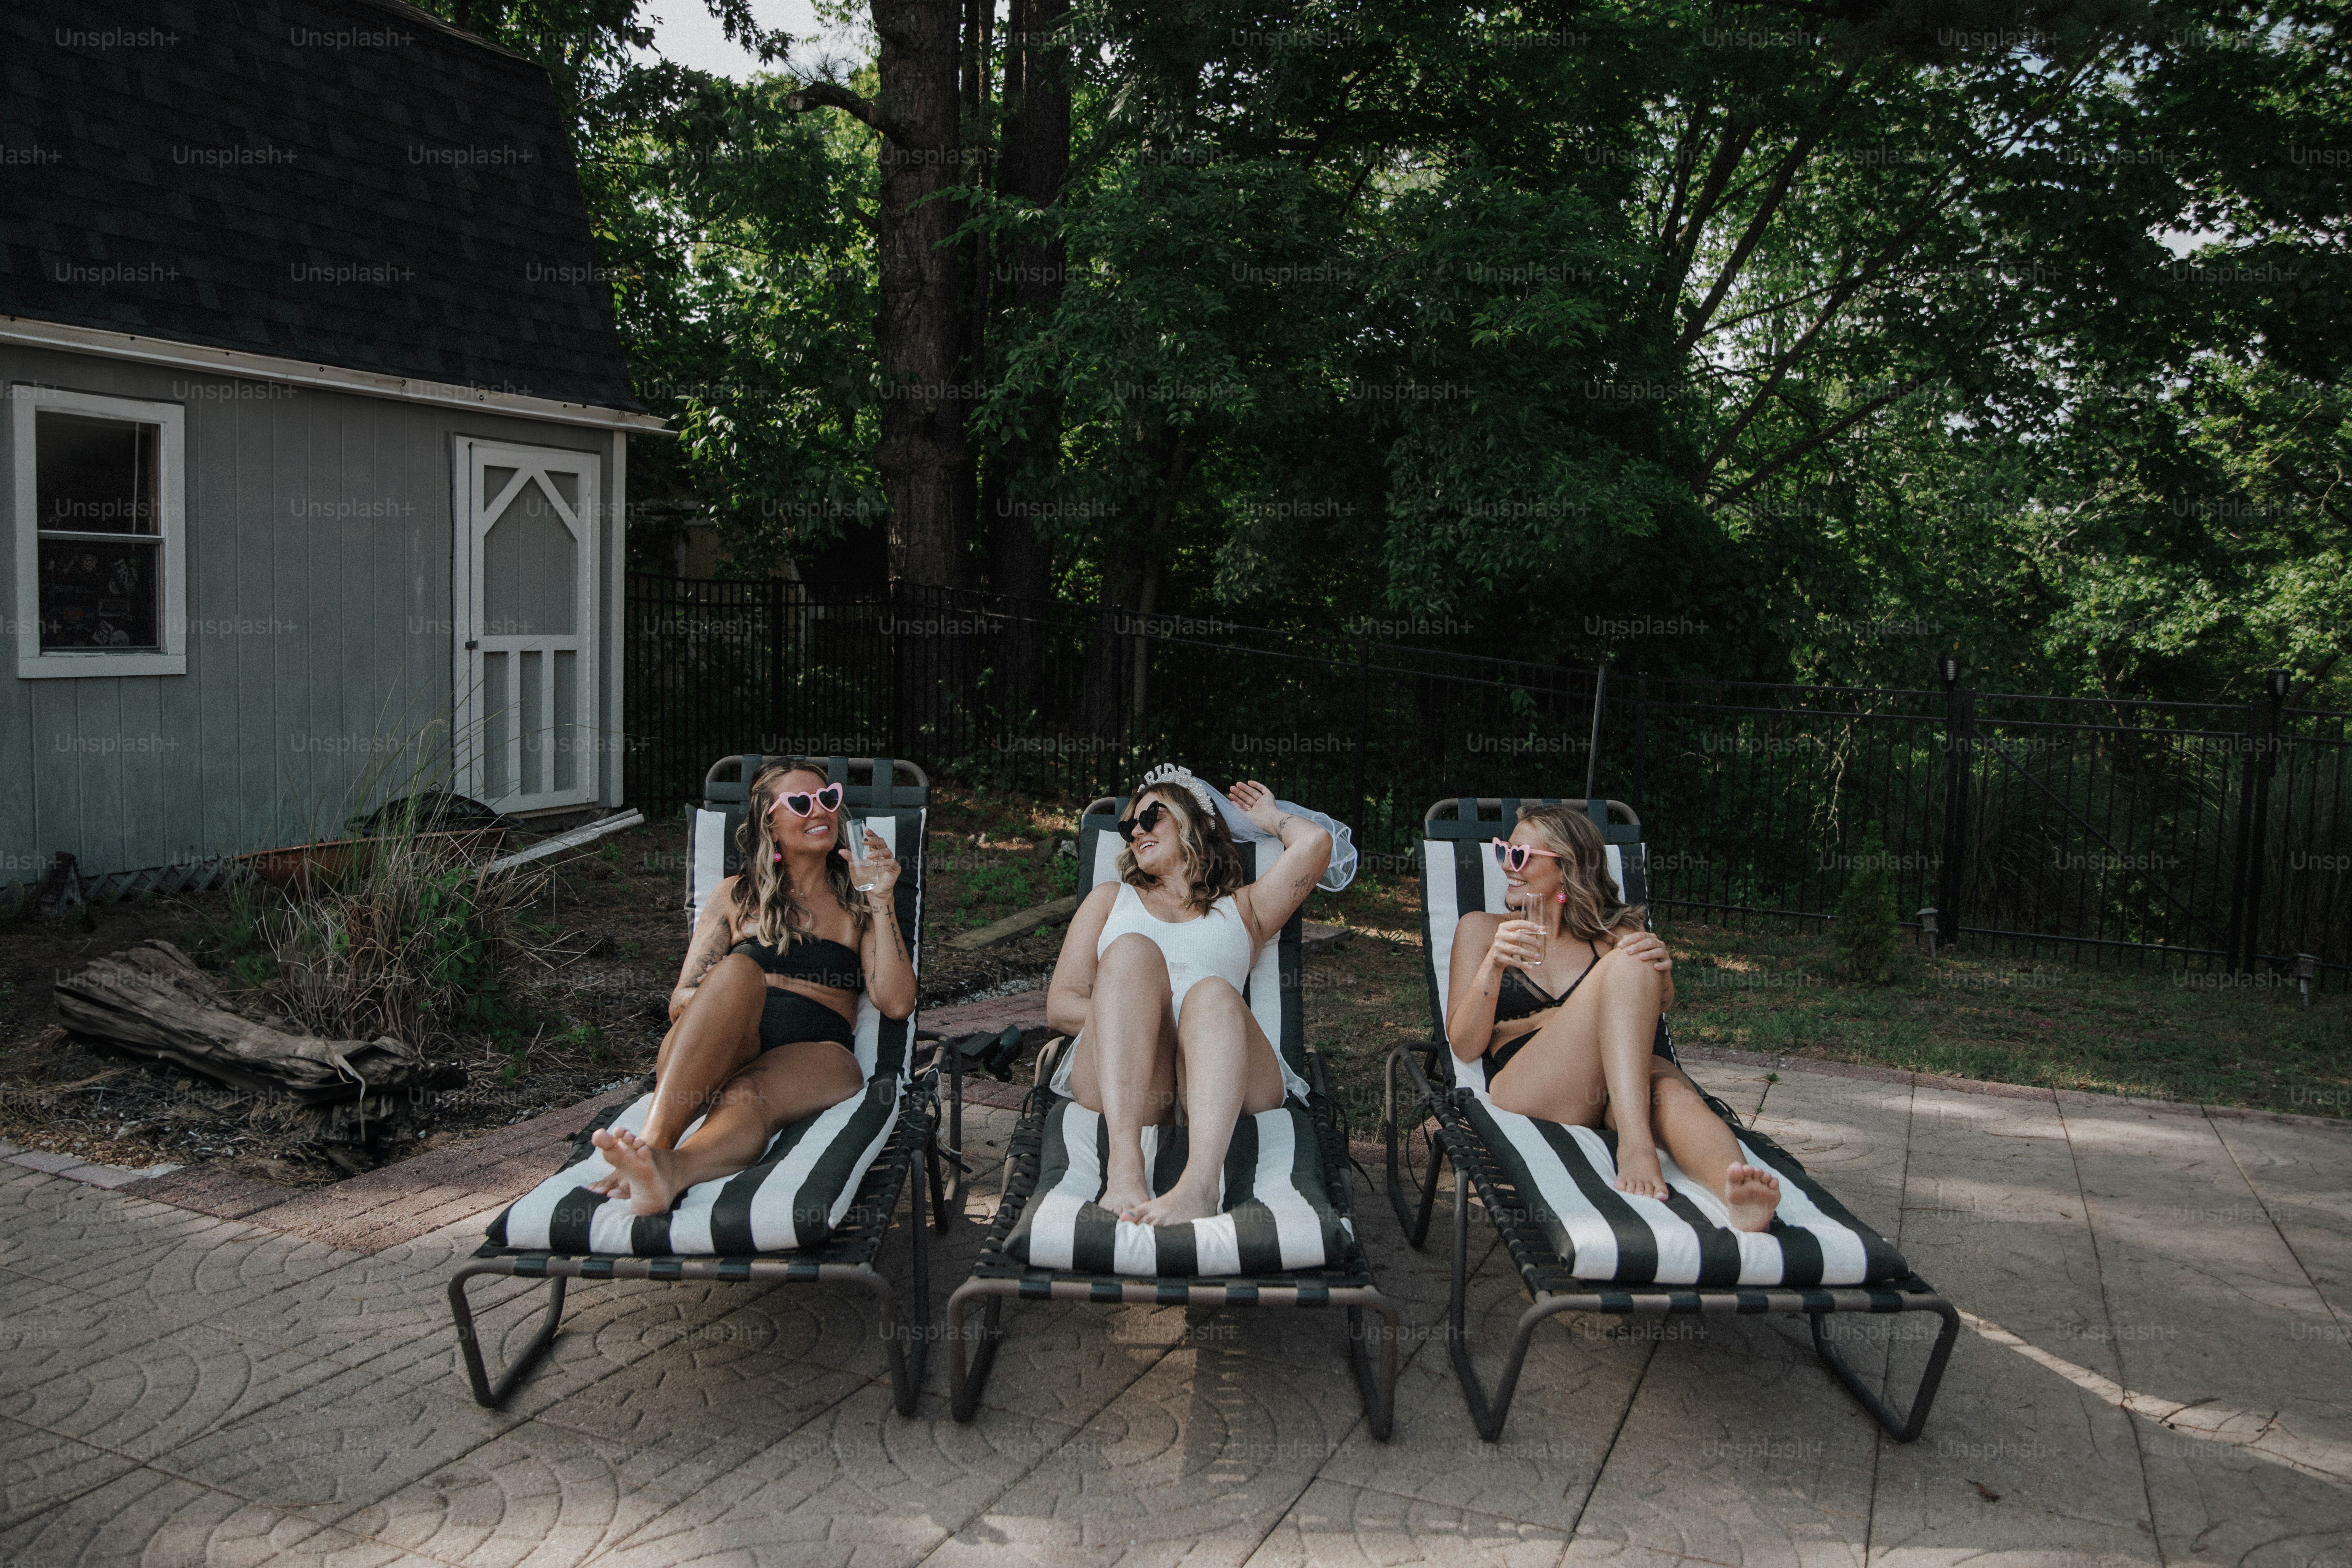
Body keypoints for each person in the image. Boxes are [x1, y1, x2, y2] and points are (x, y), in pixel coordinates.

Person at [586, 761, 915, 1214]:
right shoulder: (733, 896)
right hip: (727, 1042)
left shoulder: (858, 901)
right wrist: (704, 994)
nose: (819, 811)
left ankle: (669, 1172)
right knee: (739, 971)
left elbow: (896, 1003)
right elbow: (680, 1001)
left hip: (815, 1051)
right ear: (770, 823)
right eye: (800, 803)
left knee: (746, 1095)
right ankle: (651, 1147)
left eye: (828, 799)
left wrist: (882, 900)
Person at [1446, 804, 1782, 1232]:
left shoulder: (1611, 936)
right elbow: (1464, 1045)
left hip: (1612, 1085)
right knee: (1630, 960)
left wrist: (1663, 970)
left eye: (1522, 856)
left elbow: (1657, 1002)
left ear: (1566, 869)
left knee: (1667, 1092)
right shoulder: (1481, 929)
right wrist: (1492, 966)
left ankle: (1737, 1189)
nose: (1508, 867)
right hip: (1532, 1084)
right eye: (1504, 852)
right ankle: (1636, 1146)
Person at [1045, 764, 1331, 1226]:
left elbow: (1316, 845)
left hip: (1228, 1077)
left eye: (1150, 816)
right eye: (1127, 827)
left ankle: (1199, 1187)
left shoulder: (1246, 909)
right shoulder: (1108, 900)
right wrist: (1142, 1017)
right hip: (1133, 1083)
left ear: (1193, 822)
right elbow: (1061, 1006)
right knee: (1132, 954)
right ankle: (1124, 1169)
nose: (1135, 831)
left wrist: (1268, 816)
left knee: (1213, 995)